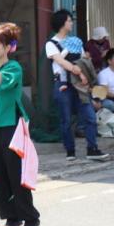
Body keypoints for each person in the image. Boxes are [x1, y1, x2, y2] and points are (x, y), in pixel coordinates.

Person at [0, 21, 41, 226]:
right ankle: (11, 217)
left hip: (12, 126)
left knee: (16, 174)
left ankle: (31, 218)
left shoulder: (13, 67)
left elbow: (0, 83)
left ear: (8, 48)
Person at [46, 12, 106, 161]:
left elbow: (82, 61)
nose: (71, 23)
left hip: (79, 84)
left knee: (90, 116)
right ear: (62, 23)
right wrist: (75, 69)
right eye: (69, 21)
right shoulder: (51, 43)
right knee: (66, 120)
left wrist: (85, 74)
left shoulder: (76, 41)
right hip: (63, 84)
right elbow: (59, 61)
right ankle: (70, 151)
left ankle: (92, 149)